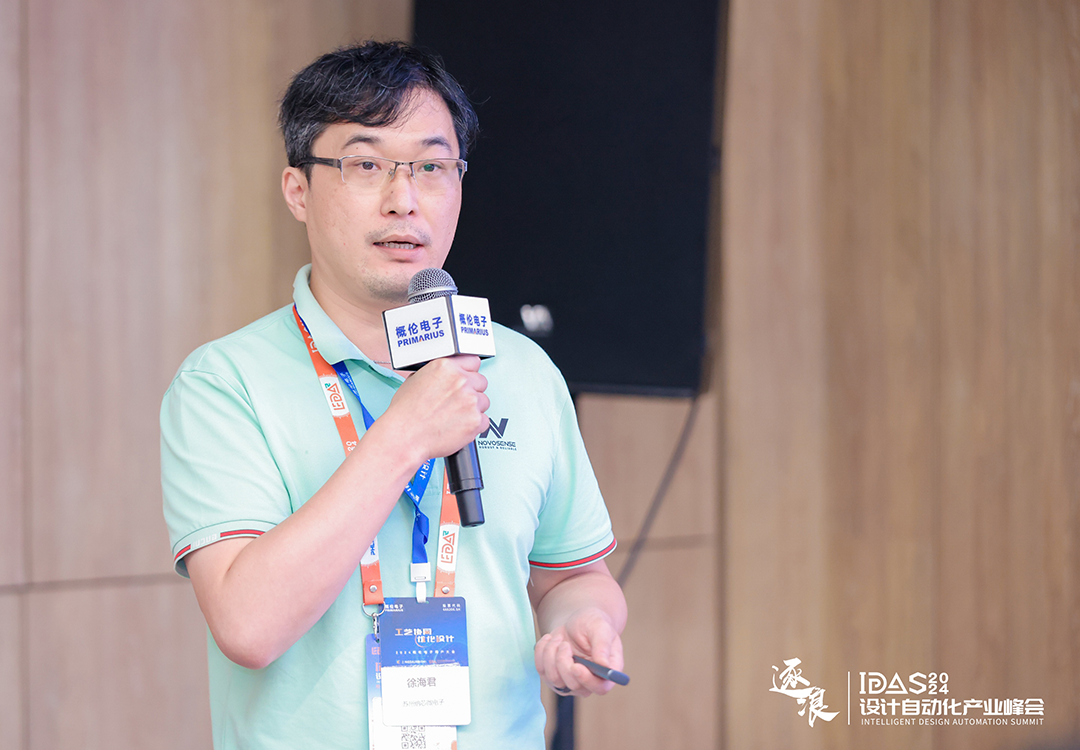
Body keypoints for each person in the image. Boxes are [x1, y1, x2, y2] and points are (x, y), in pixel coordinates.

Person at [161, 40, 626, 749]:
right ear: (298, 190)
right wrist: (405, 435)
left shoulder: (522, 369)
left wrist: (583, 623)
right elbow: (248, 626)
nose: (403, 200)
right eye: (366, 165)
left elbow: (572, 575)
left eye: (432, 167)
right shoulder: (225, 384)